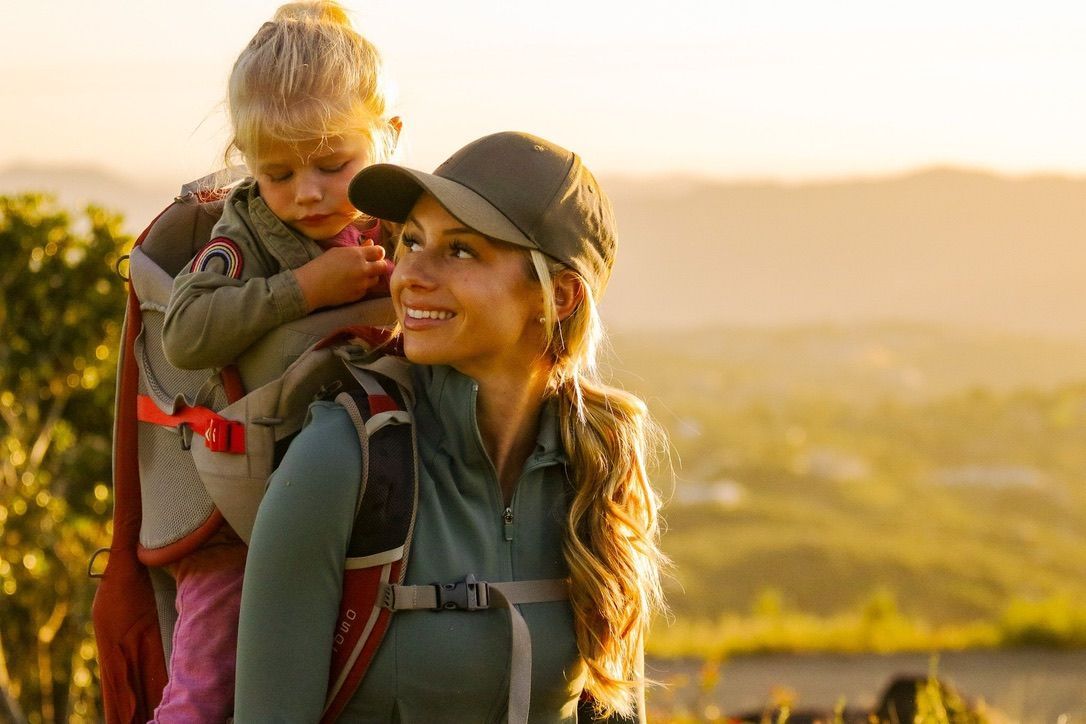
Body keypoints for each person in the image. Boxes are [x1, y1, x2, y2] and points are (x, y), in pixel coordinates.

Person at [234, 131, 667, 722]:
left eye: (461, 251)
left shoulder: (597, 463)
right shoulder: (341, 460)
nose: (411, 273)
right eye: (411, 241)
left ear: (559, 295)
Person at [152, 3, 400, 720]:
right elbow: (187, 331)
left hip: (375, 497)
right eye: (278, 172)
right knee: (205, 689)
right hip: (241, 514)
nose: (308, 193)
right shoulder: (246, 233)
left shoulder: (405, 222)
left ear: (387, 135)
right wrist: (300, 290)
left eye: (334, 164)